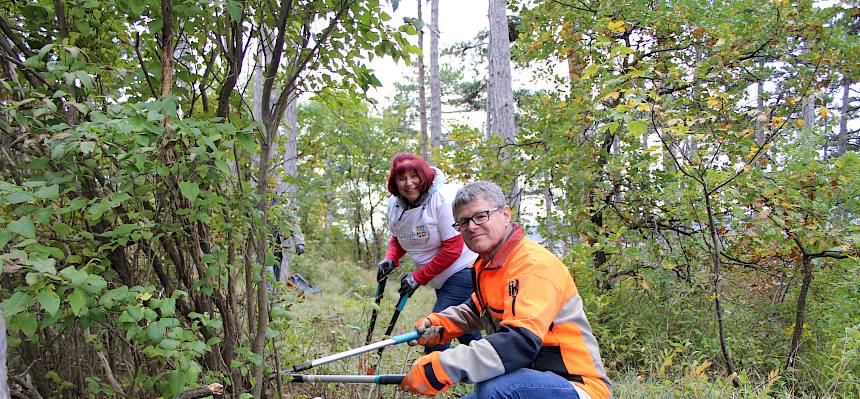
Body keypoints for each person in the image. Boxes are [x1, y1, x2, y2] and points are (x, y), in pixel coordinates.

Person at [399, 181, 611, 399]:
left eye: (481, 216)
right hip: (529, 379)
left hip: (576, 386)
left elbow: (520, 342)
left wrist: (444, 366)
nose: (472, 226)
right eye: (463, 222)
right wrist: (440, 325)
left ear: (505, 215)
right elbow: (475, 311)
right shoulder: (488, 265)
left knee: (494, 388)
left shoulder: (533, 266)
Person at [378, 153, 481, 351]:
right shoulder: (395, 204)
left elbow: (453, 249)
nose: (409, 183)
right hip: (440, 278)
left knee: (436, 330)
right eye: (402, 178)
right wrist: (390, 259)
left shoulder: (442, 200)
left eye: (414, 176)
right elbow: (398, 237)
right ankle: (489, 367)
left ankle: (430, 377)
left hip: (463, 270)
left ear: (424, 176)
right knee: (465, 330)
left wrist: (418, 277)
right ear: (395, 182)